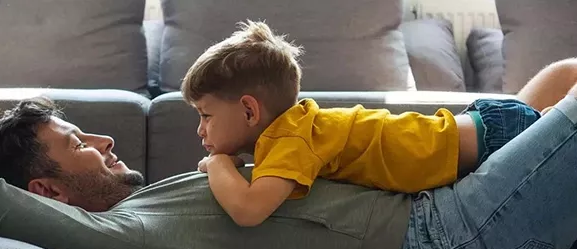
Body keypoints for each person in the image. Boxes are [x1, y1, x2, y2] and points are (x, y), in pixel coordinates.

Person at [0, 59, 577, 249]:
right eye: (78, 144)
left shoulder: (142, 210)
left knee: (561, 78)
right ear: (50, 193)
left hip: (440, 215)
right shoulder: (115, 243)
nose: (105, 141)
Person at [181, 20, 541, 227]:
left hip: (493, 141)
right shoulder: (296, 132)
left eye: (205, 115)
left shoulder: (291, 139)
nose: (200, 131)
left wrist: (218, 164)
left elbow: (248, 211)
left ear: (248, 111)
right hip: (484, 131)